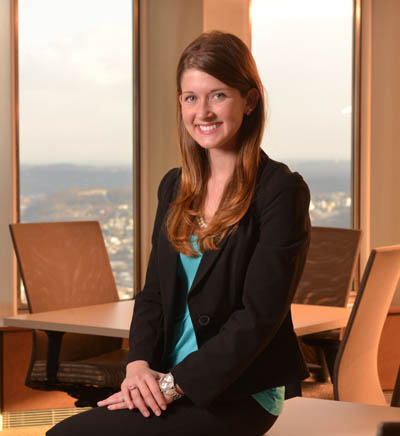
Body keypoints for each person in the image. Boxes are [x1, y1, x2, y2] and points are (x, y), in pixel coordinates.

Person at [47, 30, 310, 436]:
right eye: (191, 97)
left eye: (218, 95)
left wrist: (170, 387)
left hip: (239, 391)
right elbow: (153, 294)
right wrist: (137, 367)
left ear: (250, 100)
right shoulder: (174, 186)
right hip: (163, 379)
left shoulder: (279, 191)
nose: (202, 111)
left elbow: (258, 318)